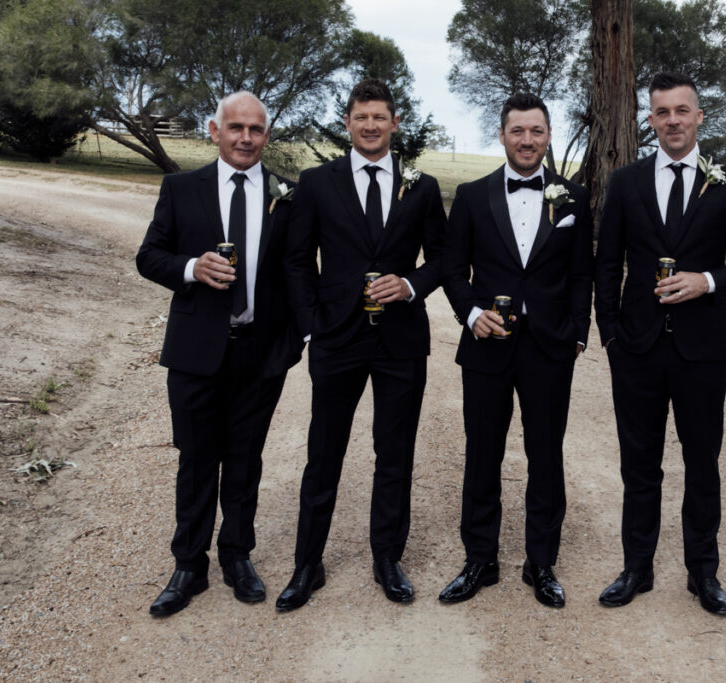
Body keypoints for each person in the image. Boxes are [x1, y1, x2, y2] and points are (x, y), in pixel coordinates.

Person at [593, 72, 726, 616]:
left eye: (681, 111)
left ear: (698, 117)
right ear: (650, 120)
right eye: (661, 112)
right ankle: (636, 569)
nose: (672, 120)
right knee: (638, 466)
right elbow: (605, 264)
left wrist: (708, 281)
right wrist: (611, 336)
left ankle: (703, 574)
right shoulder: (625, 182)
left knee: (702, 463)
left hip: (702, 349)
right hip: (638, 348)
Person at [276, 78, 447, 611]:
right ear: (347, 123)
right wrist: (310, 326)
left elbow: (444, 259)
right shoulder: (316, 182)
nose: (370, 126)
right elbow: (297, 260)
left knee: (394, 454)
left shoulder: (421, 186)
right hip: (336, 337)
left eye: (380, 117)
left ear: (395, 124)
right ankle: (308, 563)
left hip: (400, 339)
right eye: (360, 117)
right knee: (323, 454)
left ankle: (387, 558)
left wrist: (412, 284)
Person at [137, 91, 302, 617]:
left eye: (256, 129)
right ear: (215, 130)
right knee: (196, 459)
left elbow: (301, 273)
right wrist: (191, 268)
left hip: (260, 352)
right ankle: (189, 565)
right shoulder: (181, 188)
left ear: (267, 135)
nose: (246, 138)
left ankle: (237, 556)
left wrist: (295, 342)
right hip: (195, 351)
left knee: (246, 461)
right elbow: (149, 256)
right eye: (236, 128)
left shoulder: (289, 196)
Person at [438, 93, 593, 609]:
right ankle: (479, 559)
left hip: (550, 348)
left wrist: (576, 333)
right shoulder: (472, 195)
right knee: (482, 454)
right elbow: (451, 269)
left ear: (548, 135)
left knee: (545, 456)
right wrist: (469, 314)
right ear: (502, 135)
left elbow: (581, 275)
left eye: (537, 131)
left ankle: (541, 562)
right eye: (517, 131)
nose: (527, 140)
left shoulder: (573, 198)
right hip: (487, 346)